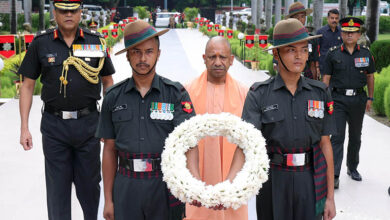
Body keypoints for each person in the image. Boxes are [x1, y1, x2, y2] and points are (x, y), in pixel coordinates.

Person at [227, 19, 336, 220]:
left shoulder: (320, 93)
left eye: (304, 49)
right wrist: (228, 185)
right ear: (276, 54)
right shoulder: (258, 95)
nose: (299, 56)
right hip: (273, 180)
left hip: (309, 180)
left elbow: (325, 144)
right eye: (291, 50)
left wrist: (330, 197)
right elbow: (245, 144)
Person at [18, 0, 115, 219]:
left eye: (73, 10)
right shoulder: (41, 43)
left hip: (89, 124)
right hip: (54, 126)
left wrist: (108, 122)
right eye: (63, 10)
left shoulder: (95, 41)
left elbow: (108, 82)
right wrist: (24, 127)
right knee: (57, 191)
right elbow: (27, 85)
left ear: (81, 13)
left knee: (90, 187)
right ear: (55, 13)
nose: (68, 15)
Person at [96, 20, 196, 220]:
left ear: (158, 54)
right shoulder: (113, 97)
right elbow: (109, 149)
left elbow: (190, 142)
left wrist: (192, 184)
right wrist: (108, 199)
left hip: (164, 184)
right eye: (136, 52)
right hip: (126, 186)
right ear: (127, 55)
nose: (143, 58)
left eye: (149, 51)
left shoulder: (176, 94)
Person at [184, 36, 248, 220]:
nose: (218, 62)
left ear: (232, 60)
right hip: (199, 177)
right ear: (204, 58)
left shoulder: (244, 93)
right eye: (212, 57)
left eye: (223, 57)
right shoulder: (187, 91)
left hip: (233, 178)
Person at [322, 17, 375, 189]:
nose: (349, 35)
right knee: (337, 137)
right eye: (346, 32)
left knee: (355, 137)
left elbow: (370, 76)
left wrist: (370, 98)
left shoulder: (366, 54)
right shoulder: (333, 53)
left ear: (358, 34)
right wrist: (325, 100)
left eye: (353, 32)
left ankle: (352, 168)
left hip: (358, 100)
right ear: (341, 34)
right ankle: (334, 174)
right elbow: (326, 79)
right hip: (337, 100)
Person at [286, 2, 320, 80]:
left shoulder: (311, 39)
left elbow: (313, 64)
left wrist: (314, 85)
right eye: (297, 17)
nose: (300, 20)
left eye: (302, 17)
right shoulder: (285, 38)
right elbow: (278, 65)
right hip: (290, 77)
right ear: (291, 19)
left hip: (306, 78)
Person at [316, 9, 342, 77]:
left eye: (336, 18)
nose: (334, 20)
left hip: (339, 66)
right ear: (328, 18)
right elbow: (317, 50)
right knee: (325, 87)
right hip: (324, 66)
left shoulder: (342, 32)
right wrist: (317, 67)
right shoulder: (320, 32)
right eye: (332, 18)